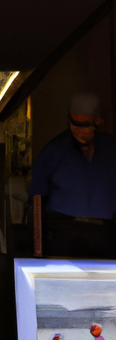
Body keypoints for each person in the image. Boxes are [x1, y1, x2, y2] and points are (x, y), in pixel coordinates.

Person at [29, 92, 116, 258]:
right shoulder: (54, 150)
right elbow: (37, 197)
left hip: (105, 233)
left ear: (97, 123)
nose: (81, 132)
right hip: (64, 232)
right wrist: (38, 248)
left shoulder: (110, 148)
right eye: (76, 125)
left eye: (86, 125)